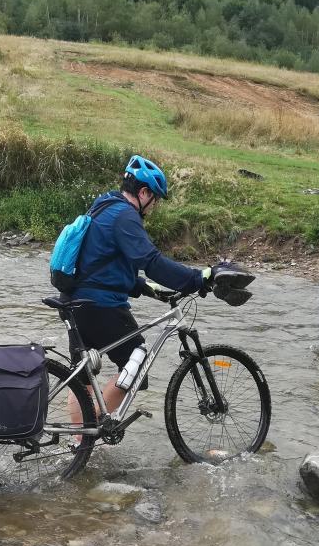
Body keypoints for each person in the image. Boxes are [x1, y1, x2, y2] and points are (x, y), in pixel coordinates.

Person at [62, 155, 243, 420]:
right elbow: (151, 261)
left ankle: (79, 444)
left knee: (83, 375)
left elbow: (100, 264)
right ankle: (97, 426)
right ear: (144, 192)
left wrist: (143, 287)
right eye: (154, 199)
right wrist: (198, 277)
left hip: (74, 301)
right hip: (100, 305)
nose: (153, 206)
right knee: (137, 365)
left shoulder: (103, 207)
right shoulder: (124, 215)